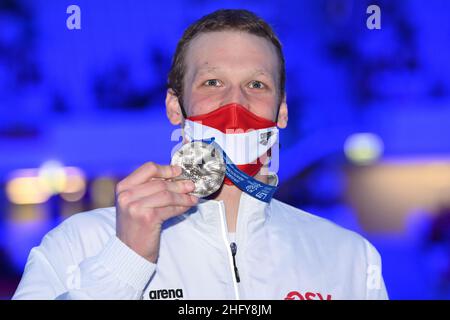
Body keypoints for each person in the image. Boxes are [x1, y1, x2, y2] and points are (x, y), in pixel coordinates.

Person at [13, 9, 388, 300]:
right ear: (175, 107)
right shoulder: (80, 242)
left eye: (256, 84)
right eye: (212, 82)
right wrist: (124, 261)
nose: (235, 102)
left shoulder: (349, 257)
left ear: (282, 112)